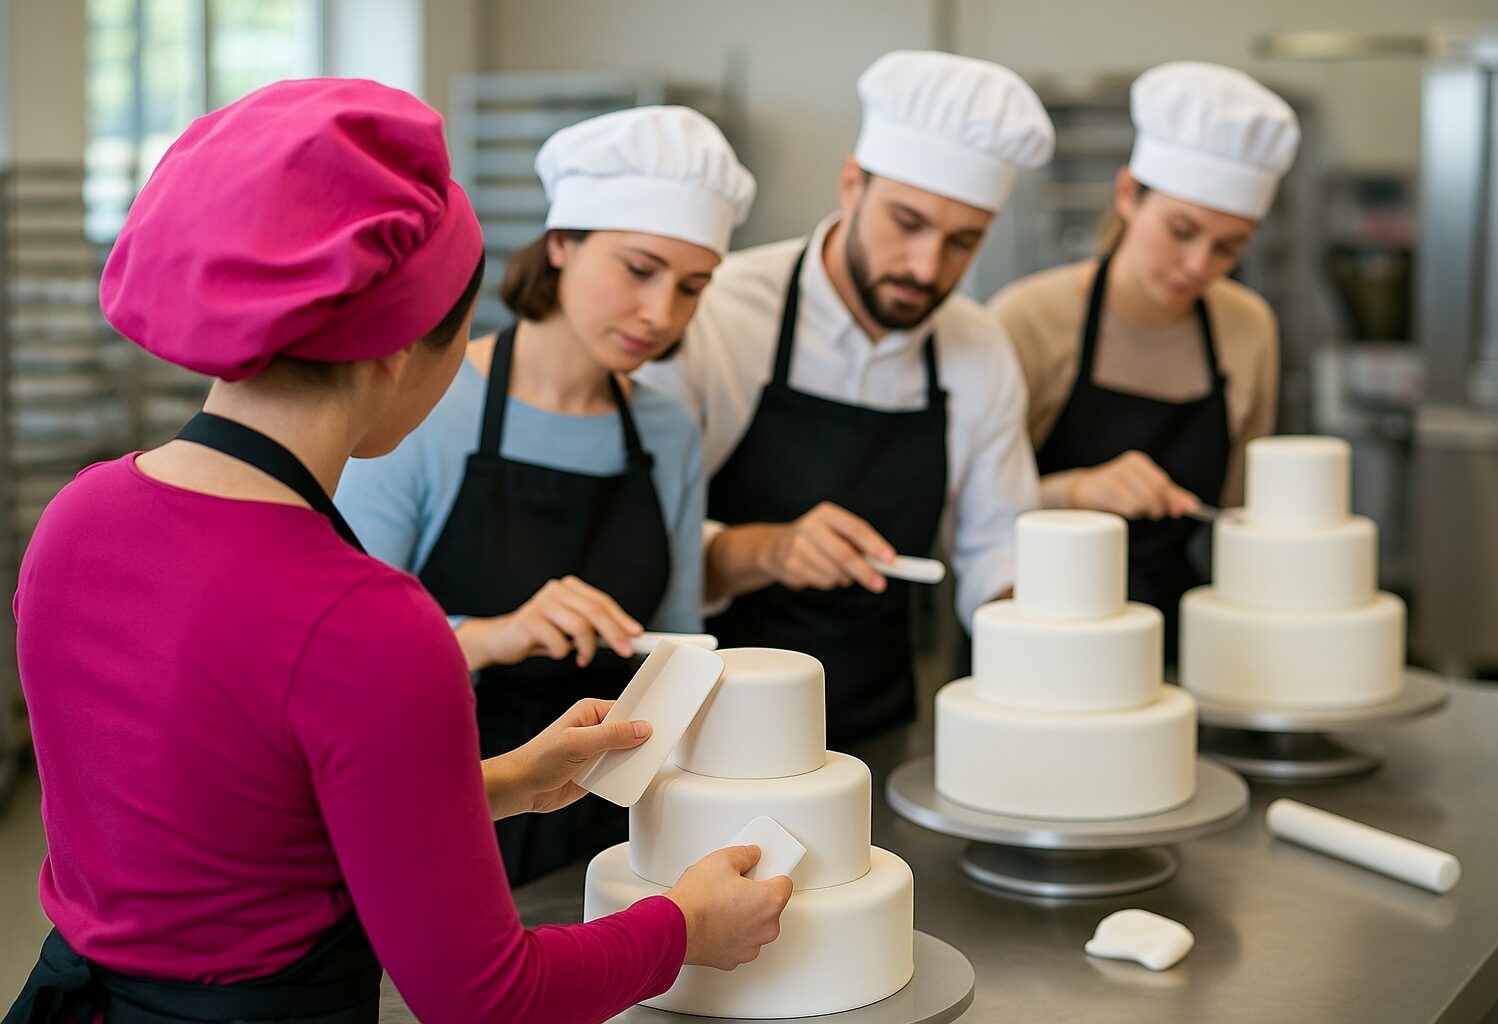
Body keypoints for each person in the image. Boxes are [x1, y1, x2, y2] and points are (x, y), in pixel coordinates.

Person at [5, 79, 788, 1024]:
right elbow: (486, 996)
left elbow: (239, 825)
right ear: (399, 344)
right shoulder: (368, 621)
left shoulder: (80, 516)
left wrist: (502, 780)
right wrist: (683, 928)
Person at [335, 105, 754, 887]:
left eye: (693, 287)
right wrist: (494, 635)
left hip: (618, 822)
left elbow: (680, 648)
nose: (661, 314)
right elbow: (343, 669)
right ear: (560, 243)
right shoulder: (425, 405)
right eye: (638, 269)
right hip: (448, 809)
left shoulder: (666, 429)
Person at [637, 51, 1053, 744]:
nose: (927, 267)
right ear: (852, 183)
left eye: (962, 242)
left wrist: (1047, 642)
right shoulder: (720, 315)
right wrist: (769, 550)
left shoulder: (978, 349)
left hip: (878, 720)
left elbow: (993, 548)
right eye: (908, 223)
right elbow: (644, 544)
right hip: (708, 725)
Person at [988, 62, 1299, 659]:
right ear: (1128, 194)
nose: (1197, 265)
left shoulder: (1248, 328)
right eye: (1181, 230)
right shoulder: (1029, 319)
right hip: (1041, 636)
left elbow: (1235, 519)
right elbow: (968, 517)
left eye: (1228, 247)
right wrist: (1075, 492)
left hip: (1180, 641)